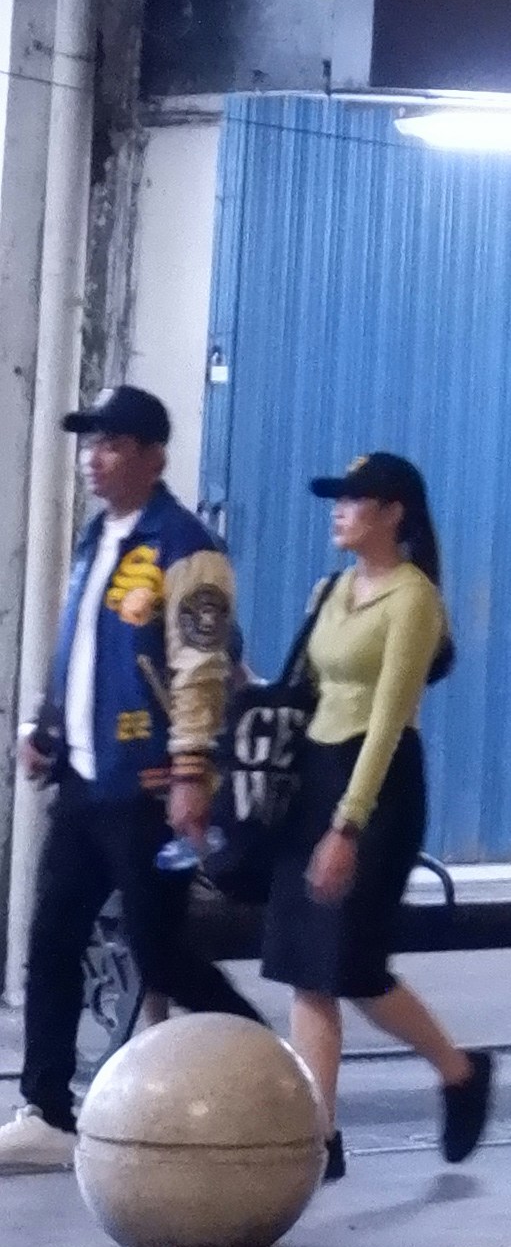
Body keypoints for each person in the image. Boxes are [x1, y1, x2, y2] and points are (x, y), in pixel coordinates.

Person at [5, 385, 254, 1169]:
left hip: (147, 786)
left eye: (111, 444)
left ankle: (269, 1071)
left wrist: (190, 772)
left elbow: (203, 668)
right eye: (89, 443)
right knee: (51, 942)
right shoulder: (96, 540)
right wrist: (46, 725)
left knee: (163, 953)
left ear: (153, 457)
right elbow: (80, 647)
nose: (92, 457)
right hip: (83, 781)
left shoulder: (186, 547)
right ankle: (46, 1109)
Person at [262, 451, 489, 1178]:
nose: (340, 510)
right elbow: (305, 689)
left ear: (394, 513)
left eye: (356, 500)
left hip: (378, 787)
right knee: (308, 969)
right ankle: (318, 1137)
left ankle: (459, 1073)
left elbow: (389, 721)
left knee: (353, 967)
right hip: (316, 775)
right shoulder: (331, 589)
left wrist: (347, 825)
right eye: (338, 499)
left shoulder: (415, 599)